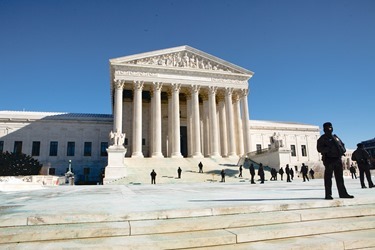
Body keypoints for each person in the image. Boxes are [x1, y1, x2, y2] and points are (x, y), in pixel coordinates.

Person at [317, 122, 354, 200]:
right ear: (324, 129)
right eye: (328, 128)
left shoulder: (335, 137)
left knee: (340, 178)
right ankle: (328, 194)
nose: (330, 129)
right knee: (328, 178)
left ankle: (343, 193)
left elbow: (342, 144)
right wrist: (329, 149)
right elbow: (319, 149)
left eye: (331, 127)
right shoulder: (322, 138)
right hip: (329, 159)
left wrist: (342, 150)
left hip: (337, 159)